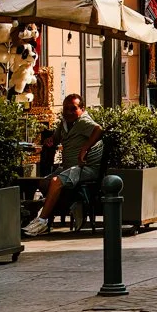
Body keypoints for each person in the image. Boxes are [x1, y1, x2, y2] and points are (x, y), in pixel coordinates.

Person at [22, 94, 104, 237]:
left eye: (73, 109)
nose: (69, 112)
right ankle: (68, 207)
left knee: (56, 182)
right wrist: (51, 140)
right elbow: (56, 137)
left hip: (85, 169)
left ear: (82, 109)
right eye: (66, 109)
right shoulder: (64, 123)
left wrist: (85, 148)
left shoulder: (83, 121)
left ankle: (41, 221)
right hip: (68, 168)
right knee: (44, 183)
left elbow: (98, 129)